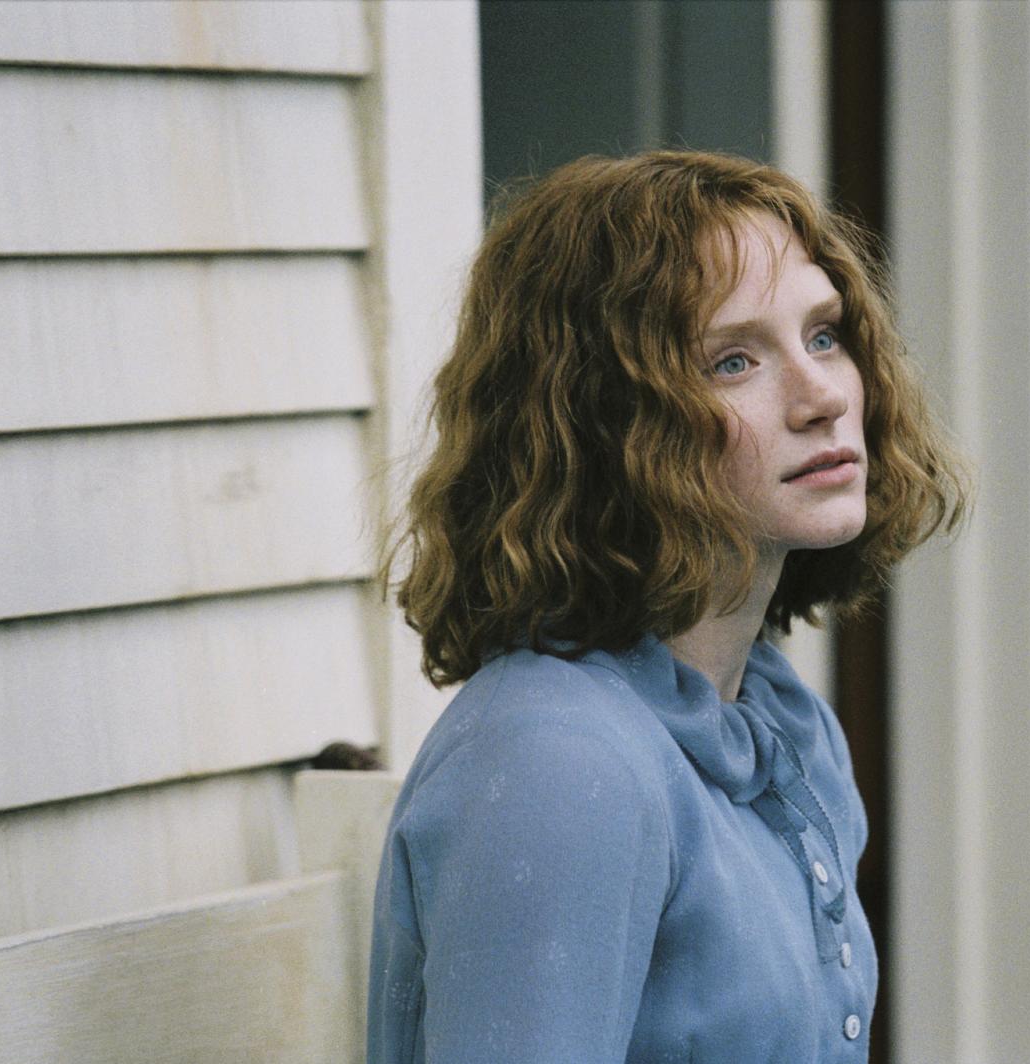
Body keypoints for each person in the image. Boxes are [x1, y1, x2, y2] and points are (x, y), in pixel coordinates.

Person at [367, 150, 967, 1063]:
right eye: (733, 361)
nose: (822, 397)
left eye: (823, 335)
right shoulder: (556, 759)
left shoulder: (783, 723)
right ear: (603, 423)